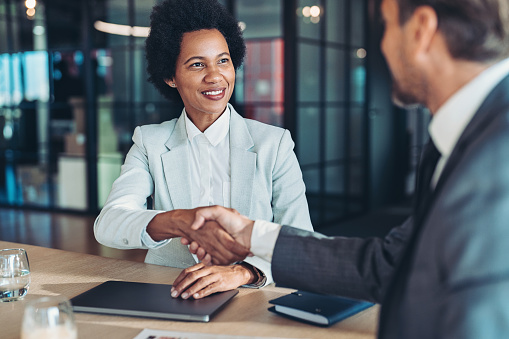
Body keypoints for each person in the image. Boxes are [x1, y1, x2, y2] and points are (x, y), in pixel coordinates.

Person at [175, 0, 509, 337]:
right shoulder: (454, 141)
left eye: (387, 26)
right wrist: (251, 234)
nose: (382, 45)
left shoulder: (498, 148)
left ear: (421, 30)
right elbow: (389, 265)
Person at [94, 0, 312, 299]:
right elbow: (109, 224)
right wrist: (181, 222)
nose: (215, 76)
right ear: (170, 76)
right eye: (197, 64)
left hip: (254, 295)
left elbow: (302, 238)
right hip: (171, 292)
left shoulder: (274, 144)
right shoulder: (150, 142)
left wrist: (244, 271)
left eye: (223, 61)